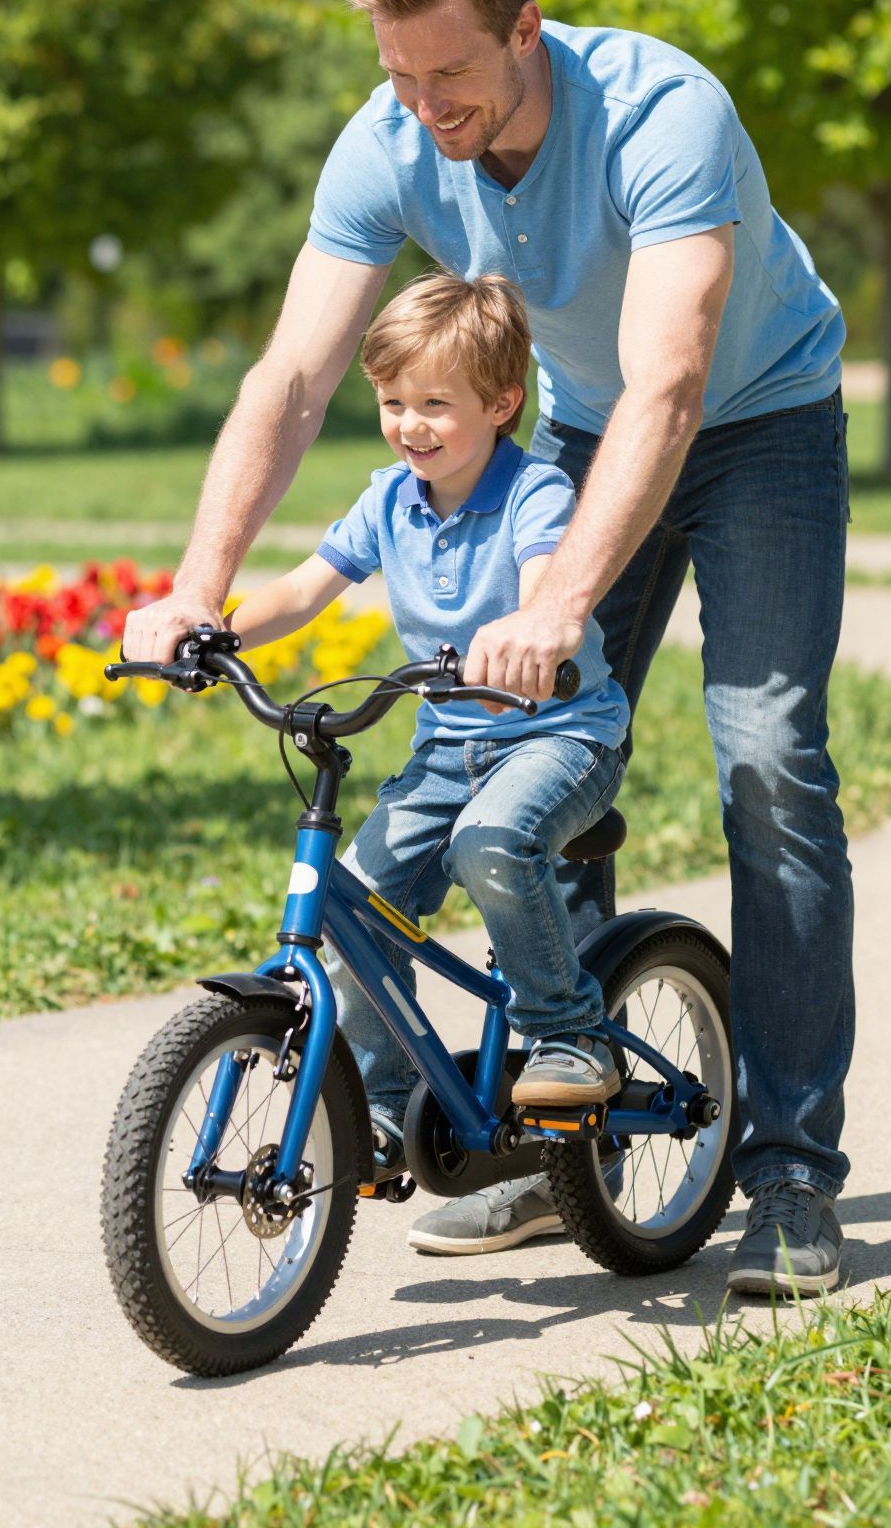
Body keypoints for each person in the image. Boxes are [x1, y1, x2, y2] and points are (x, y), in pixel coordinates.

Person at [123, 0, 851, 1298]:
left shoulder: (661, 113)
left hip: (758, 417)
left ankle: (790, 1175)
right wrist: (196, 592)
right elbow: (290, 379)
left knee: (767, 763)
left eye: (449, 75)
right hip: (591, 419)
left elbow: (676, 381)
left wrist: (562, 599)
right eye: (399, 77)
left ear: (525, 28)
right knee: (517, 766)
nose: (424, 106)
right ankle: (543, 1140)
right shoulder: (388, 138)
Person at [229, 271, 630, 1179]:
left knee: (490, 842)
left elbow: (542, 584)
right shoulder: (388, 499)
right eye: (392, 401)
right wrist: (210, 626)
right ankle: (376, 1108)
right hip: (449, 744)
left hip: (560, 734)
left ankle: (570, 1036)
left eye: (435, 404)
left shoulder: (535, 494)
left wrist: (529, 633)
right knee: (353, 907)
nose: (410, 424)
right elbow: (304, 588)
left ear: (501, 402)